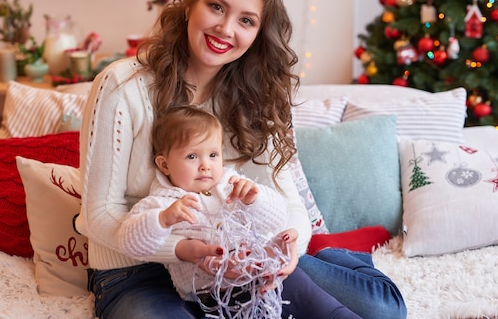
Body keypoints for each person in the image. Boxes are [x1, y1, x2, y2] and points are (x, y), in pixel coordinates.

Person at [75, 0, 407, 319]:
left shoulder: (260, 96)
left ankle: (333, 257)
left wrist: (289, 250)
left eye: (246, 20)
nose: (226, 29)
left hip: (238, 265)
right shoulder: (122, 87)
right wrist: (188, 249)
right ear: (189, 5)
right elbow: (100, 215)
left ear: (258, 33)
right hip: (134, 269)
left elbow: (289, 204)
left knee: (382, 311)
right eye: (216, 7)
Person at [117, 105, 361, 318]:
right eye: (192, 156)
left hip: (267, 277)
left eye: (213, 155)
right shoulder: (163, 202)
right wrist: (161, 220)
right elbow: (130, 242)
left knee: (329, 312)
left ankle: (339, 262)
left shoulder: (230, 184)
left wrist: (255, 200)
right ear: (164, 164)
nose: (205, 165)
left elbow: (277, 218)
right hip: (211, 297)